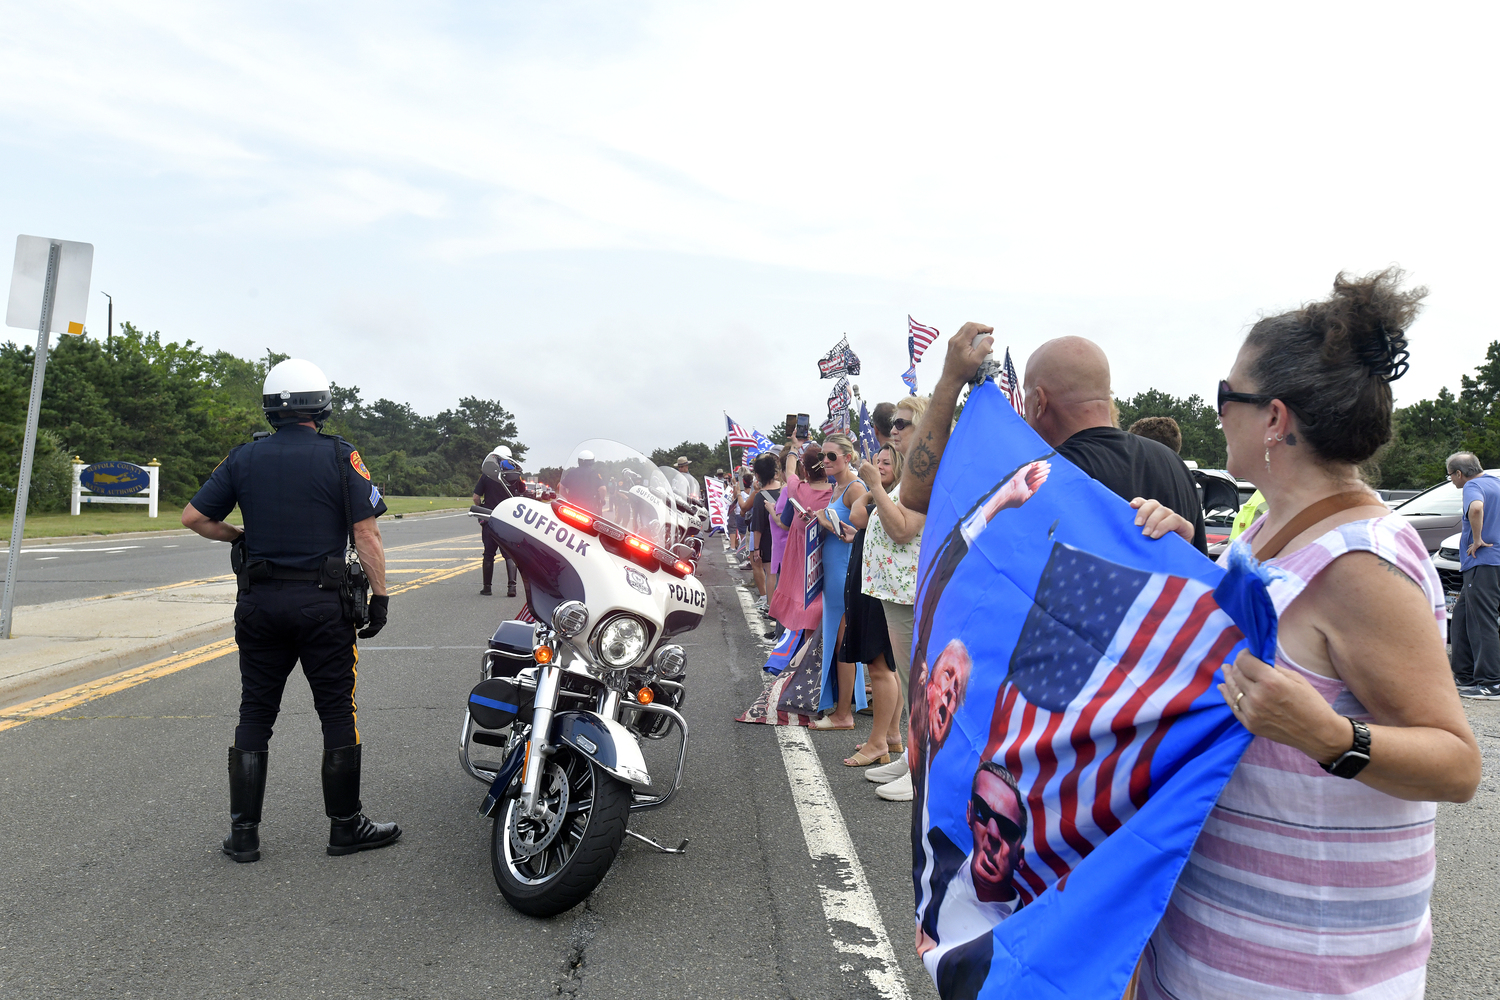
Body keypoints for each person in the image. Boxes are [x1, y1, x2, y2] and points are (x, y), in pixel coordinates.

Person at [1140, 269, 1481, 1000]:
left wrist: (1329, 736)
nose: (1219, 412)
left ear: (1274, 418)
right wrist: (1182, 560)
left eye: (1226, 396)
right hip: (1215, 944)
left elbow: (1457, 765)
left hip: (1309, 971)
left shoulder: (1361, 561)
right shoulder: (1270, 526)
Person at [181, 358, 399, 864]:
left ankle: (244, 835)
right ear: (321, 405)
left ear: (271, 407)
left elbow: (194, 516)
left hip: (259, 604)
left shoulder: (243, 458)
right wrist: (382, 597)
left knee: (255, 712)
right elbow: (366, 533)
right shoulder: (341, 457)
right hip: (324, 607)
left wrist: (238, 535)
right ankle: (345, 828)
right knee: (336, 712)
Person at [902, 329, 1206, 553]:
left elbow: (917, 495)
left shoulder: (1037, 475)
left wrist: (950, 380)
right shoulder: (1175, 466)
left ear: (1039, 403)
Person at [862, 395, 930, 801]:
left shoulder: (929, 472)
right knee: (908, 679)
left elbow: (903, 529)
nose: (894, 430)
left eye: (903, 424)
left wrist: (874, 486)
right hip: (897, 590)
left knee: (917, 682)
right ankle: (912, 758)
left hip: (910, 592)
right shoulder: (914, 474)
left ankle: (923, 771)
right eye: (893, 424)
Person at [917, 762, 1029, 1000]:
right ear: (969, 814)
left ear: (1020, 856)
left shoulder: (1028, 937)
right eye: (983, 812)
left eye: (1008, 829)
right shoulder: (932, 850)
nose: (993, 834)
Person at [842, 443, 900, 766]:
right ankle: (890, 734)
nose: (878, 467)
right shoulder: (888, 493)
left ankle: (878, 742)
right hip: (880, 583)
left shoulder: (891, 496)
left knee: (880, 667)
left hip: (882, 586)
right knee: (890, 666)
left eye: (886, 463)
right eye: (877, 461)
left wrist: (869, 490)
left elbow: (857, 516)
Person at [808, 434, 868, 731]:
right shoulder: (838, 487)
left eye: (831, 456)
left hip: (845, 570)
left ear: (848, 457)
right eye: (823, 456)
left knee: (843, 641)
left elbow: (869, 525)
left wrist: (828, 523)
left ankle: (844, 714)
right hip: (833, 570)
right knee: (838, 638)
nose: (826, 462)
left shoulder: (856, 487)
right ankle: (842, 704)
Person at [1447, 451, 1500, 699]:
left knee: (1482, 621)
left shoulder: (1473, 486)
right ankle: (1466, 675)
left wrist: (1478, 539)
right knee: (1461, 616)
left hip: (1483, 561)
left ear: (1459, 473)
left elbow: (1476, 509)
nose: (1452, 481)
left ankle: (1491, 682)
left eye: (1451, 476)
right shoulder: (1496, 483)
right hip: (1492, 563)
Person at [767, 443, 833, 634]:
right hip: (826, 559)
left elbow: (789, 470)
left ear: (804, 468)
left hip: (800, 563)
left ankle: (805, 657)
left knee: (805, 614)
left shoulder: (798, 490)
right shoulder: (836, 494)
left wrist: (794, 447)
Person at [473, 444, 522, 597]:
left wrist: (481, 506)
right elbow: (522, 493)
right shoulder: (515, 476)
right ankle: (511, 588)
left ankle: (487, 588)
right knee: (509, 554)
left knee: (488, 554)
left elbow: (475, 497)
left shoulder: (486, 475)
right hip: (507, 519)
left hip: (489, 518)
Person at [747, 453, 782, 612]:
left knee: (771, 573)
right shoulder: (785, 489)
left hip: (769, 540)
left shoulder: (760, 497)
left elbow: (758, 526)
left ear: (758, 474)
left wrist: (756, 549)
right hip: (787, 537)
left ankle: (771, 607)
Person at [560, 450, 606, 514]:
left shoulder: (572, 473)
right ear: (592, 462)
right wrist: (602, 500)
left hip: (573, 507)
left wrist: (568, 498)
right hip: (589, 508)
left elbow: (560, 486)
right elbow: (603, 489)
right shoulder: (594, 474)